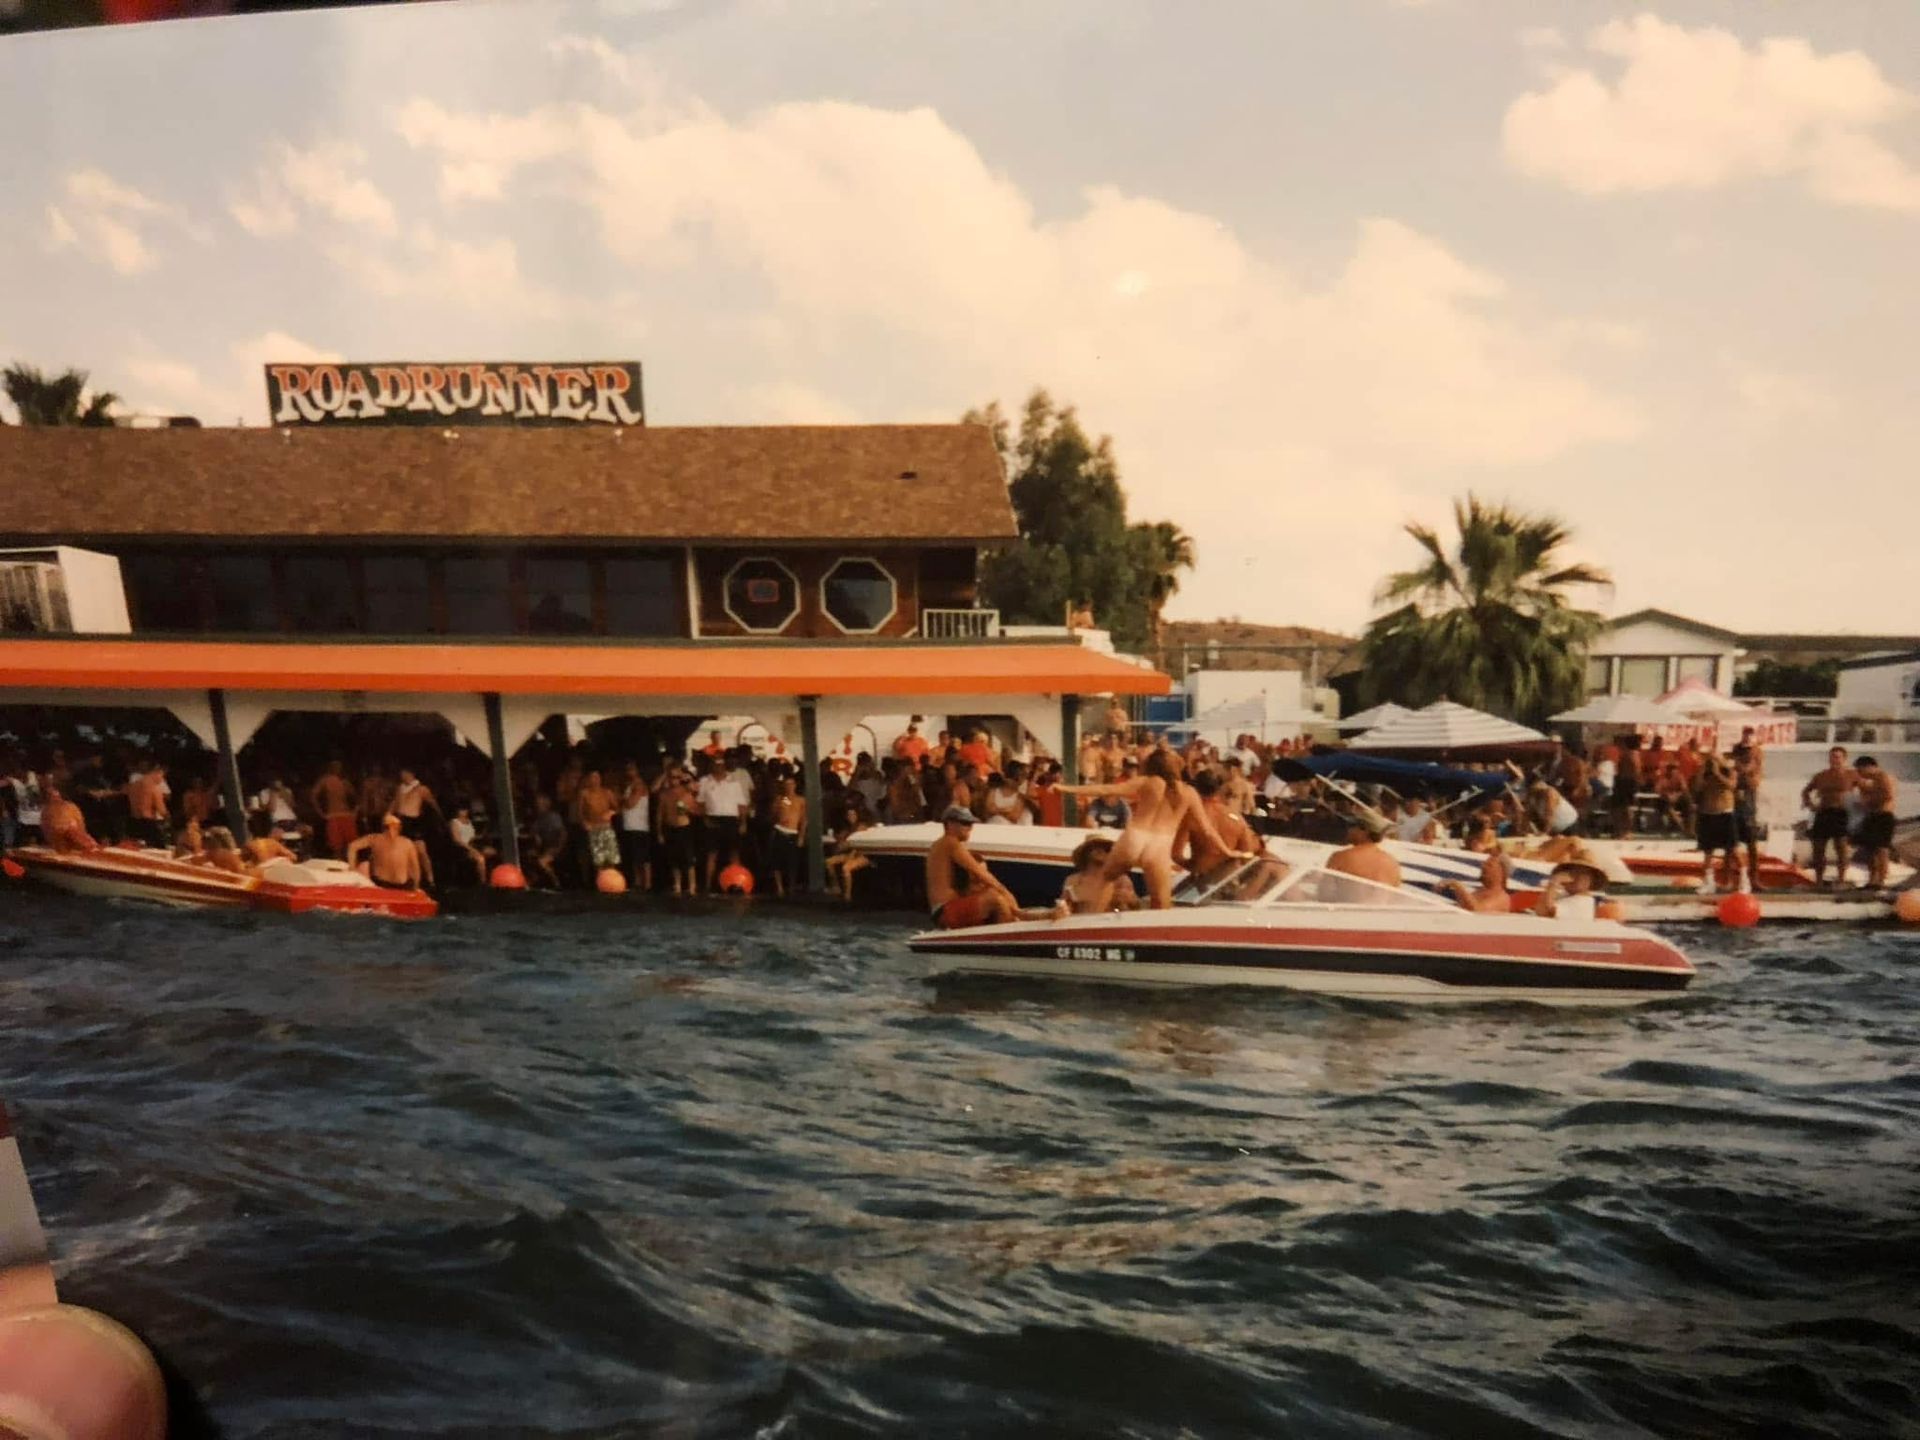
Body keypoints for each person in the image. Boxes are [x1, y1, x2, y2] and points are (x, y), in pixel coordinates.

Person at [1059, 750, 1244, 910]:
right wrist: (1228, 851)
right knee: (1161, 903)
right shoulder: (1188, 792)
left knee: (1105, 881)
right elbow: (1208, 830)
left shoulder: (1149, 782)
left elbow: (1107, 789)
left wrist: (1065, 788)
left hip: (1134, 838)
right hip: (1159, 846)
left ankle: (1089, 921)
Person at [925, 805, 1022, 927]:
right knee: (996, 899)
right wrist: (1006, 892)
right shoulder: (950, 842)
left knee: (993, 894)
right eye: (965, 823)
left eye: (971, 823)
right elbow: (980, 873)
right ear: (950, 824)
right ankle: (1009, 936)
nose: (970, 828)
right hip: (945, 911)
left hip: (946, 909)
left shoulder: (940, 845)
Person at [1800, 746, 1857, 886]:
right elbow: (1806, 791)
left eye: (1838, 757)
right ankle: (1819, 880)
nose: (1835, 759)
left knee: (1841, 848)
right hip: (1823, 812)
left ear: (1844, 759)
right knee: (1818, 848)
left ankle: (1841, 880)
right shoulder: (1821, 775)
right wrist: (1810, 805)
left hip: (1841, 813)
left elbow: (1865, 789)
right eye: (1832, 756)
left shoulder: (1852, 775)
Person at [697, 755, 751, 893]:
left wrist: (743, 822)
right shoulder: (704, 781)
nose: (718, 767)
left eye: (721, 764)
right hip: (713, 818)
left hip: (731, 819)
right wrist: (705, 819)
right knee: (711, 854)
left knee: (734, 853)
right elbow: (700, 802)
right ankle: (708, 886)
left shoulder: (734, 782)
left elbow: (742, 804)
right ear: (711, 765)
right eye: (715, 764)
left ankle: (738, 884)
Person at [1055, 835, 1141, 915]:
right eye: (1094, 847)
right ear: (1086, 852)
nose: (1102, 851)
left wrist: (1129, 900)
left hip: (1109, 927)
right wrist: (1060, 910)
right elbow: (1064, 908)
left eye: (1107, 849)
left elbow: (1135, 908)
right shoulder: (1073, 880)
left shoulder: (1120, 879)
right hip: (1082, 927)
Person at [1694, 751, 1741, 893]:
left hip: (1725, 813)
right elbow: (1697, 787)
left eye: (1715, 759)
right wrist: (1703, 769)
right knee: (1708, 851)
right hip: (1708, 813)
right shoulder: (1705, 774)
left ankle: (1743, 879)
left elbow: (1732, 786)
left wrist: (1718, 773)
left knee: (1733, 850)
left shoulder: (1729, 771)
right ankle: (1709, 882)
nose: (1712, 762)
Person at [1853, 757, 1897, 890]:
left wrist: (1867, 801)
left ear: (1868, 766)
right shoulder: (1870, 781)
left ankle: (1882, 880)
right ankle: (1872, 880)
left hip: (1884, 816)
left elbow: (1887, 795)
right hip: (1872, 816)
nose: (1860, 773)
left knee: (1881, 848)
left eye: (1860, 770)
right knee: (1869, 849)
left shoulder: (1883, 777)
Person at [1325, 812, 1402, 889]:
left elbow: (1324, 893)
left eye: (1351, 825)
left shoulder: (1340, 857)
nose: (1348, 829)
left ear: (1364, 830)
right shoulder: (1392, 863)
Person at [656, 765, 699, 897]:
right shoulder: (664, 794)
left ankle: (692, 886)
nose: (674, 780)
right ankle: (678, 885)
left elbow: (697, 810)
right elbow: (660, 815)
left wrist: (688, 809)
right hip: (670, 828)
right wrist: (659, 833)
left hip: (684, 828)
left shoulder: (686, 792)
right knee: (674, 859)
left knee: (688, 859)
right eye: (672, 777)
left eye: (677, 777)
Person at [346, 813, 422, 890]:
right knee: (364, 865)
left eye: (395, 827)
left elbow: (415, 867)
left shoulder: (407, 843)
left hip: (402, 886)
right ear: (384, 828)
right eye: (389, 827)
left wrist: (416, 886)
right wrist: (352, 867)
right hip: (381, 884)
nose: (391, 830)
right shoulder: (375, 839)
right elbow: (352, 846)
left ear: (399, 828)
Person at [392, 767, 439, 887]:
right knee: (403, 851)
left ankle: (430, 879)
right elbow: (394, 804)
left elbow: (433, 803)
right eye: (401, 774)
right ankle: (408, 879)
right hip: (401, 822)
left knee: (421, 851)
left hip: (414, 823)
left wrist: (440, 818)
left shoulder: (421, 789)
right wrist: (388, 815)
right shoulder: (400, 789)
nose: (402, 776)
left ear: (410, 773)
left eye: (404, 773)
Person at [575, 769, 620, 877]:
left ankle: (612, 881)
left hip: (607, 828)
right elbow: (579, 812)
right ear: (589, 779)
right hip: (594, 828)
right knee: (598, 859)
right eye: (592, 777)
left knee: (611, 858)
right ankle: (601, 882)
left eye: (597, 777)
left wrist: (611, 813)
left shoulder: (607, 792)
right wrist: (584, 823)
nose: (595, 780)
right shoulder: (584, 794)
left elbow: (617, 808)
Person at [769, 774, 807, 897]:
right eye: (787, 784)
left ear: (795, 785)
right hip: (780, 830)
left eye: (791, 784)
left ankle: (791, 887)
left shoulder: (801, 800)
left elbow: (804, 819)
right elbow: (774, 815)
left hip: (793, 833)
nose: (789, 787)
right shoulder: (781, 799)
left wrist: (801, 835)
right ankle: (779, 887)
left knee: (792, 861)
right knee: (776, 861)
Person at [310, 759, 358, 858]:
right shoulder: (325, 781)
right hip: (334, 817)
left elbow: (356, 798)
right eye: (335, 767)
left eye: (339, 767)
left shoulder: (344, 782)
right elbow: (313, 796)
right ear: (331, 768)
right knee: (337, 849)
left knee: (350, 848)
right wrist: (321, 813)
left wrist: (354, 812)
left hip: (345, 816)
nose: (338, 769)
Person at [617, 764, 653, 893]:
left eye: (631, 769)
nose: (628, 772)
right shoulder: (629, 786)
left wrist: (621, 800)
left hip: (639, 826)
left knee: (643, 858)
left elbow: (630, 804)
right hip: (630, 825)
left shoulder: (639, 785)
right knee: (635, 857)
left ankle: (647, 883)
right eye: (627, 769)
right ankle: (638, 882)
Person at [38, 783, 97, 854]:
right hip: (62, 844)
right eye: (51, 796)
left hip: (74, 842)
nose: (56, 798)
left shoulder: (70, 807)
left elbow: (80, 829)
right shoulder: (46, 811)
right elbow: (56, 831)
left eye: (57, 796)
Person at [124, 761, 171, 849]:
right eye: (162, 776)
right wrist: (168, 819)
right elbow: (161, 809)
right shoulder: (154, 787)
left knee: (134, 849)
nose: (162, 780)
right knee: (161, 849)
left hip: (132, 822)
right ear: (157, 772)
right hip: (147, 824)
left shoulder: (134, 785)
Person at [1447, 852, 1513, 915]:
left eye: (1489, 865)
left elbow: (1478, 911)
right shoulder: (1479, 892)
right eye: (1484, 864)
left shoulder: (1502, 898)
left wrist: (1458, 887)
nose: (1483, 867)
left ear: (1501, 872)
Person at [526, 793, 569, 889]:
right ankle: (535, 881)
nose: (538, 806)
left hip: (556, 847)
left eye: (540, 803)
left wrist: (558, 848)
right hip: (545, 847)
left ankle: (556, 883)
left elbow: (562, 834)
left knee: (542, 862)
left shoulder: (553, 817)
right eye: (537, 803)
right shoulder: (537, 820)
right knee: (529, 856)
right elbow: (535, 836)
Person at [448, 806, 488, 885]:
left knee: (492, 852)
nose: (464, 812)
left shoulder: (469, 822)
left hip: (474, 844)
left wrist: (480, 836)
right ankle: (483, 882)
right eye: (461, 810)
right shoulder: (454, 822)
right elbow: (457, 840)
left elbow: (471, 836)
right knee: (480, 859)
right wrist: (471, 849)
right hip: (463, 848)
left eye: (465, 809)